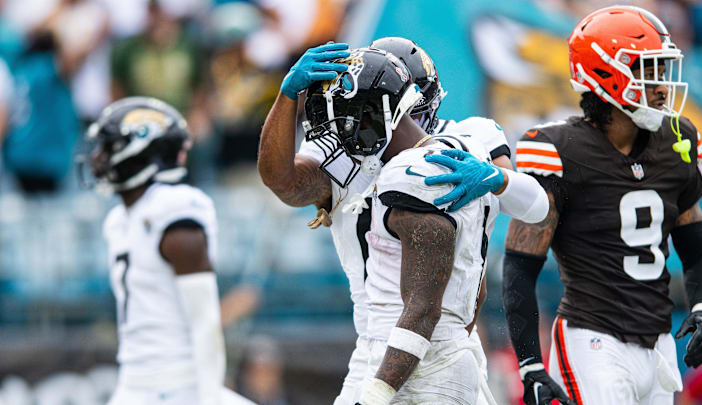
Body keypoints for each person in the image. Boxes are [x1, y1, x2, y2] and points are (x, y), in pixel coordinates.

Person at [258, 39, 548, 404]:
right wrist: (287, 97)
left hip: (440, 342)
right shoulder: (347, 150)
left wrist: (495, 177)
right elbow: (283, 182)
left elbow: (538, 208)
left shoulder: (472, 138)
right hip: (374, 341)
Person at [500, 6, 702, 405]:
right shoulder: (558, 149)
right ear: (607, 74)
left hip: (658, 347)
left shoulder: (676, 141)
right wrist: (530, 363)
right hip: (593, 340)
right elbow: (519, 265)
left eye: (663, 69)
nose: (662, 86)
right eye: (648, 70)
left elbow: (698, 251)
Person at [88, 97, 255, 405]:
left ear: (139, 150)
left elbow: (204, 322)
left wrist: (208, 397)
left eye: (107, 147)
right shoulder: (119, 221)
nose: (97, 157)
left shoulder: (173, 211)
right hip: (136, 383)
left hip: (178, 385)